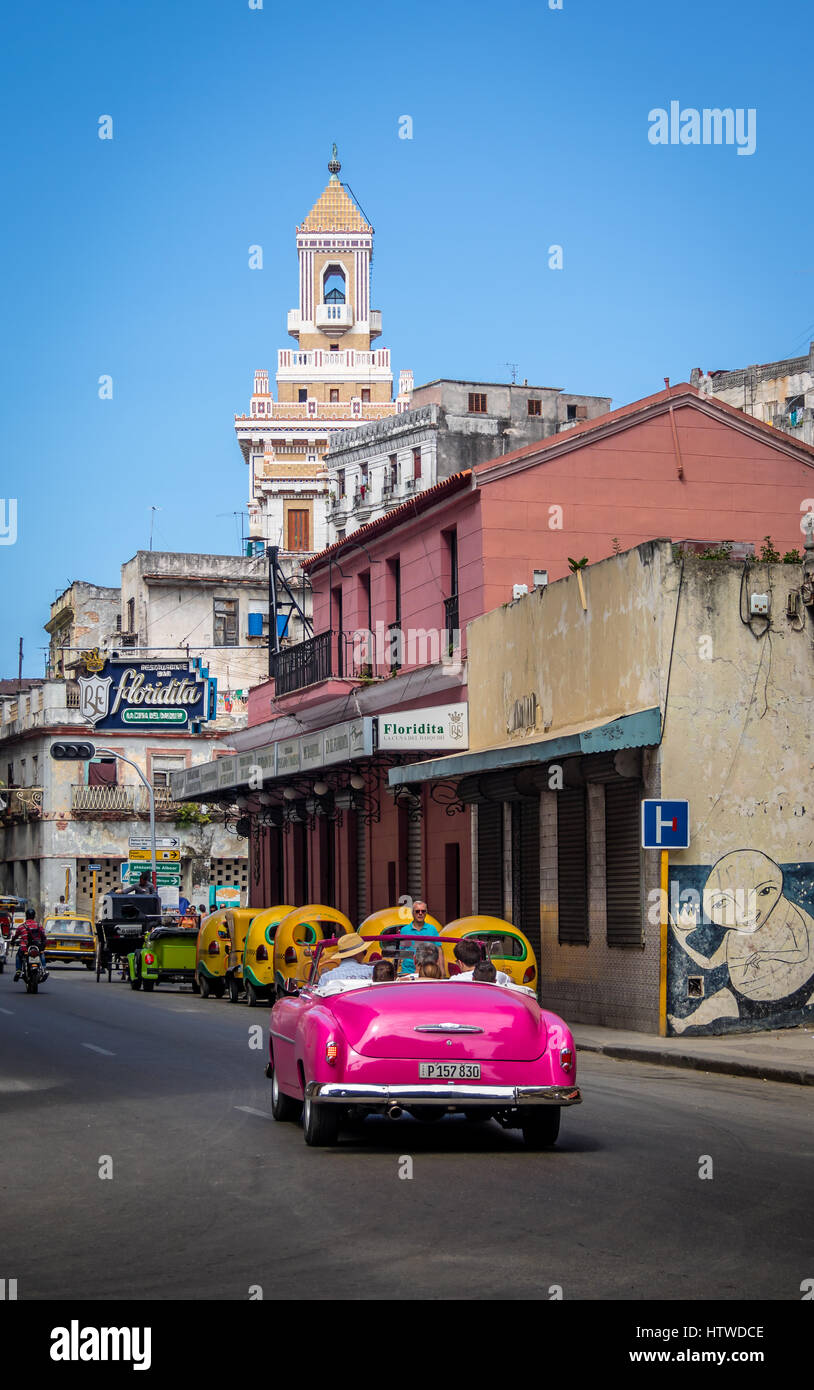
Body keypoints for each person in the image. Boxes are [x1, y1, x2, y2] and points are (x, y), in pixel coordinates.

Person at [399, 900, 439, 975]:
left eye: (423, 911)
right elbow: (403, 950)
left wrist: (442, 972)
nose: (420, 913)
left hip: (428, 971)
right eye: (417, 911)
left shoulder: (432, 929)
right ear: (412, 913)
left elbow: (439, 950)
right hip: (408, 971)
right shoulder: (404, 930)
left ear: (426, 913)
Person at [13, 909, 48, 981]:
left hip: (25, 948)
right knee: (41, 953)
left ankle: (18, 971)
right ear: (34, 916)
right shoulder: (38, 925)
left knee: (18, 956)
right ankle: (44, 969)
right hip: (37, 946)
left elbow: (16, 936)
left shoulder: (21, 926)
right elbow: (44, 936)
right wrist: (42, 944)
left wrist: (13, 941)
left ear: (26, 916)